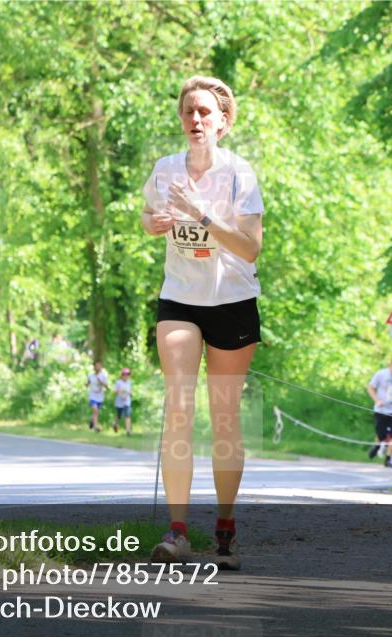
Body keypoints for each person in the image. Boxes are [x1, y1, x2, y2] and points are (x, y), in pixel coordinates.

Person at [142, 75, 264, 570]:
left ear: (223, 122)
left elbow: (251, 247)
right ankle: (176, 532)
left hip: (233, 300)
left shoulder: (240, 174)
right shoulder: (165, 168)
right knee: (178, 407)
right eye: (189, 111)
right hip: (180, 299)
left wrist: (203, 216)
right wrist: (153, 223)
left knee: (224, 417)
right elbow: (150, 217)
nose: (196, 119)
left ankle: (225, 533)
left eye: (205, 112)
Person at [367, 357, 392, 468]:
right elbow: (370, 387)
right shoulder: (381, 374)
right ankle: (377, 446)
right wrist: (377, 400)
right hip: (381, 409)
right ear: (390, 366)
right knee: (381, 434)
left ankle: (388, 459)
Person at [86, 361, 109, 431]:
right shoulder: (90, 375)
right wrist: (86, 384)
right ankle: (96, 426)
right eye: (96, 366)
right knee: (95, 410)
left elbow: (107, 387)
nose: (98, 368)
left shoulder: (103, 376)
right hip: (92, 395)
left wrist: (101, 382)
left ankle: (92, 421)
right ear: (94, 367)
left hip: (100, 397)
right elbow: (88, 382)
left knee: (96, 412)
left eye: (99, 366)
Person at [112, 368, 133, 435]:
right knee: (119, 415)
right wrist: (119, 391)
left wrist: (130, 393)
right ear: (122, 375)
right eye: (124, 374)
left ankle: (128, 430)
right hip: (119, 402)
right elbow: (115, 392)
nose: (126, 376)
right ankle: (115, 424)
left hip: (127, 401)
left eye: (127, 375)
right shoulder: (118, 382)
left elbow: (131, 392)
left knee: (127, 415)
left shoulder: (129, 382)